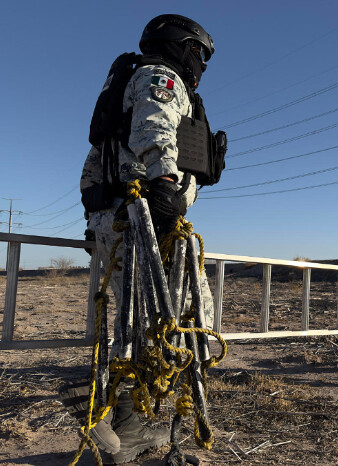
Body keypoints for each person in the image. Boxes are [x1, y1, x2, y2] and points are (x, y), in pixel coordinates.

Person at [62, 14, 219, 464]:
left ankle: (123, 426)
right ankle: (117, 423)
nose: (201, 64)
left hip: (120, 218)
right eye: (199, 53)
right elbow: (154, 130)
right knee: (169, 324)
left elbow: (101, 162)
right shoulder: (159, 76)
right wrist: (166, 186)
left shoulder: (131, 81)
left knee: (140, 328)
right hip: (144, 219)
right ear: (180, 45)